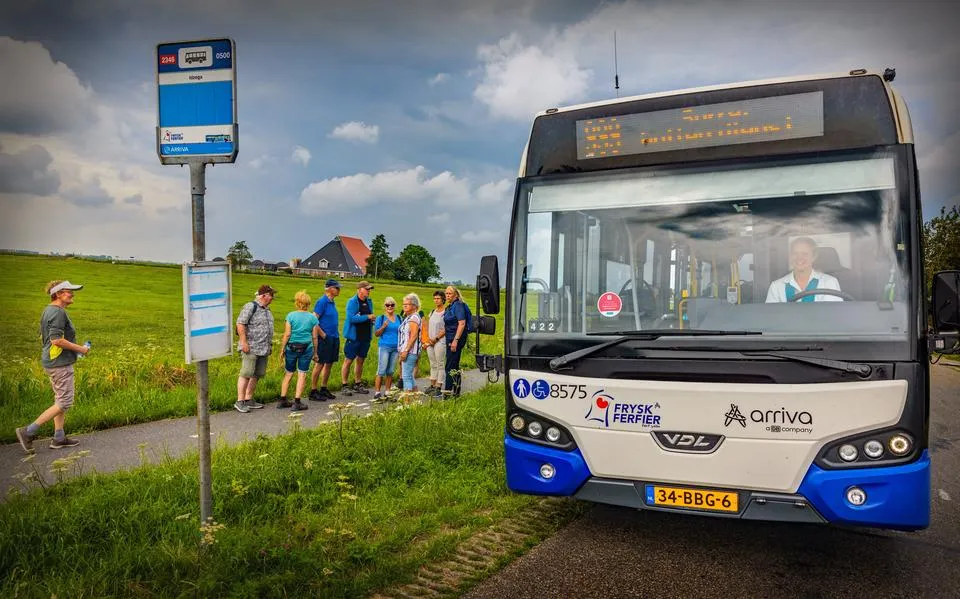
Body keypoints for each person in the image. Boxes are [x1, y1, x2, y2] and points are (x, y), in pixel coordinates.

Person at [15, 280, 91, 453]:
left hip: (53, 361)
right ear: (57, 294)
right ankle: (28, 432)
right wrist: (81, 349)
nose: (72, 294)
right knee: (64, 402)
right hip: (59, 364)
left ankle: (58, 437)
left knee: (60, 400)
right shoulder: (57, 313)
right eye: (68, 291)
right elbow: (56, 339)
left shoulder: (49, 310)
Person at [235, 284, 276, 413]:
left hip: (263, 348)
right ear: (264, 295)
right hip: (251, 346)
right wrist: (244, 342)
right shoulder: (250, 307)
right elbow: (240, 323)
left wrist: (269, 345)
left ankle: (249, 399)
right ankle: (240, 401)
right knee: (246, 373)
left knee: (257, 374)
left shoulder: (267, 310)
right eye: (271, 295)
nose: (272, 298)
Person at [765, 237, 843, 303]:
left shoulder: (829, 283)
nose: (799, 258)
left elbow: (834, 315)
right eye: (795, 253)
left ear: (814, 257)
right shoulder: (777, 286)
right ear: (790, 256)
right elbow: (771, 317)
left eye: (805, 254)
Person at [277, 290, 319, 411]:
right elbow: (315, 337)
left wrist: (282, 348)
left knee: (289, 373)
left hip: (291, 347)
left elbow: (287, 334)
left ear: (297, 302)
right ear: (308, 304)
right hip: (306, 348)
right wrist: (315, 353)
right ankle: (297, 402)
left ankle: (282, 399)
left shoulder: (290, 316)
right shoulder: (313, 318)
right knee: (302, 374)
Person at [309, 279, 341, 402]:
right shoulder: (322, 302)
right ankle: (313, 390)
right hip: (325, 337)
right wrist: (322, 334)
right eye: (337, 288)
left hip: (334, 336)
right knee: (320, 363)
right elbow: (314, 320)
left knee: (329, 363)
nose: (339, 290)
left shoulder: (332, 302)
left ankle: (323, 387)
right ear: (329, 289)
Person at [341, 281, 375, 395]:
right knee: (348, 360)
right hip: (354, 336)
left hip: (365, 336)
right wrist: (367, 317)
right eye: (367, 289)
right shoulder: (352, 302)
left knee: (360, 360)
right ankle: (344, 385)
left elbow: (368, 316)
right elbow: (351, 319)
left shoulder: (369, 302)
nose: (369, 291)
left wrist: (372, 320)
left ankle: (357, 383)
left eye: (369, 289)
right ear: (360, 289)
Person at [442, 285, 469, 397]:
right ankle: (456, 391)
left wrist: (455, 340)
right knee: (454, 365)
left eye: (449, 293)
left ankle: (447, 393)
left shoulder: (458, 306)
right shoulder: (451, 306)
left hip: (455, 338)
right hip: (451, 337)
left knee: (449, 366)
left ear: (456, 295)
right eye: (446, 293)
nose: (447, 295)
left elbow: (461, 323)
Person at [373, 296, 401, 400]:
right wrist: (383, 327)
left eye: (392, 305)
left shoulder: (399, 318)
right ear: (384, 306)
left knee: (390, 371)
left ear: (395, 306)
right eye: (387, 305)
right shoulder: (381, 318)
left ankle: (388, 392)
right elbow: (376, 334)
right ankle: (377, 392)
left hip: (395, 348)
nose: (390, 306)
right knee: (381, 370)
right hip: (384, 346)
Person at [422, 290, 447, 397]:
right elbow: (428, 326)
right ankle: (432, 385)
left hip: (440, 341)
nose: (436, 300)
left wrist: (436, 339)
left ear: (443, 300)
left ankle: (438, 386)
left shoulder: (445, 312)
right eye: (435, 298)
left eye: (438, 298)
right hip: (430, 341)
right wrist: (427, 340)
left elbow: (445, 328)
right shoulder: (432, 311)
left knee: (440, 364)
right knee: (433, 364)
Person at [398, 293, 423, 392]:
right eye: (404, 304)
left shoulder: (414, 318)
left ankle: (407, 402)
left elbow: (413, 336)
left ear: (414, 306)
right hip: (408, 351)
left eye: (407, 304)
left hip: (410, 351)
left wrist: (406, 350)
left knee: (406, 377)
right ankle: (415, 401)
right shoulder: (409, 317)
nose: (404, 306)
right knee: (409, 376)